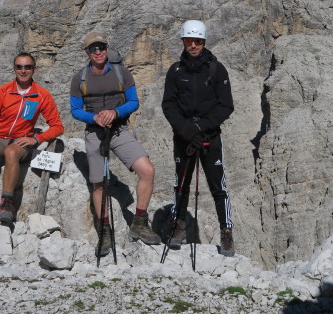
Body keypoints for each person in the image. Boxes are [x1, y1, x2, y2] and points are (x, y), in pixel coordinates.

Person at [70, 31, 160, 256]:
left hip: (119, 129)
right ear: (87, 52)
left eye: (101, 47)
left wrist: (114, 112)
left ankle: (139, 223)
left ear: (107, 49)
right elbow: (75, 110)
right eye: (93, 49)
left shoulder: (122, 73)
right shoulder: (79, 78)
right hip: (94, 132)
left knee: (147, 171)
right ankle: (105, 230)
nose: (98, 52)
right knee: (99, 183)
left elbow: (133, 102)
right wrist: (95, 118)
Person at [0, 52, 63, 223]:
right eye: (19, 67)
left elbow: (58, 126)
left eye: (27, 67)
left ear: (34, 69)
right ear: (14, 69)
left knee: (12, 153)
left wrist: (36, 139)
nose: (23, 71)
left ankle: (7, 202)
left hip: (20, 140)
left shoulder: (42, 95)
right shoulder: (4, 91)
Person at [161, 20, 235, 256]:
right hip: (183, 138)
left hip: (209, 137)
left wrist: (200, 128)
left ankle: (226, 233)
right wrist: (186, 130)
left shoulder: (217, 70)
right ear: (183, 41)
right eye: (189, 40)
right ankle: (178, 227)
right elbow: (169, 105)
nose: (193, 45)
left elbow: (226, 106)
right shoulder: (175, 71)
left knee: (218, 187)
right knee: (181, 185)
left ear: (203, 42)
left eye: (198, 41)